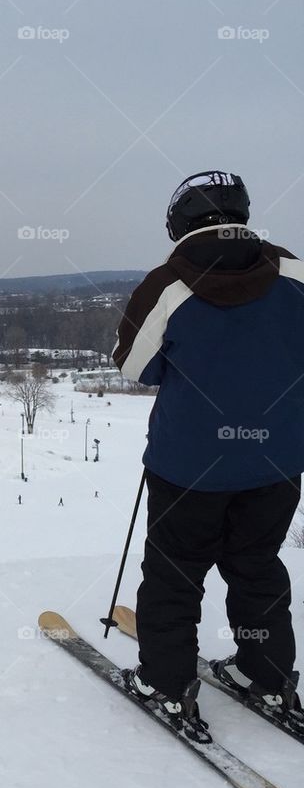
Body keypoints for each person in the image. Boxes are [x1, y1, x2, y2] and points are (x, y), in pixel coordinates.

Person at [113, 171, 304, 740]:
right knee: (257, 566)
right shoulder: (293, 271)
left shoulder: (167, 286)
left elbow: (133, 366)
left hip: (189, 466)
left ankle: (167, 687)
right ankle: (266, 676)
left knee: (174, 576)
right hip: (278, 462)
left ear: (179, 222)